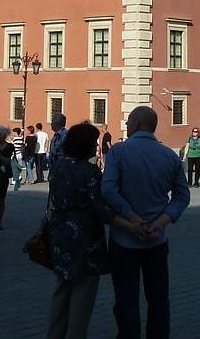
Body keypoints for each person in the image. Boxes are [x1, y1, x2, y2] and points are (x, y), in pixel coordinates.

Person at [45, 122, 141, 339]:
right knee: (82, 298)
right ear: (84, 145)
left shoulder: (58, 167)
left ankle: (54, 335)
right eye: (93, 142)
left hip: (60, 239)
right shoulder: (89, 172)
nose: (95, 145)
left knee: (61, 292)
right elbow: (102, 210)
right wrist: (131, 225)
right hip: (84, 244)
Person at [102, 107, 189, 339]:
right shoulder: (169, 155)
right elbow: (182, 196)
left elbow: (108, 189)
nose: (126, 125)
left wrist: (131, 217)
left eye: (129, 121)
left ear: (139, 124)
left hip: (124, 240)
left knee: (126, 297)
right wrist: (160, 222)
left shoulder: (118, 152)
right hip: (157, 240)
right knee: (159, 298)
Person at [48, 113, 69, 177]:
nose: (51, 124)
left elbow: (54, 152)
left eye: (52, 122)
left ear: (56, 124)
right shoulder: (67, 134)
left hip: (59, 169)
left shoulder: (59, 136)